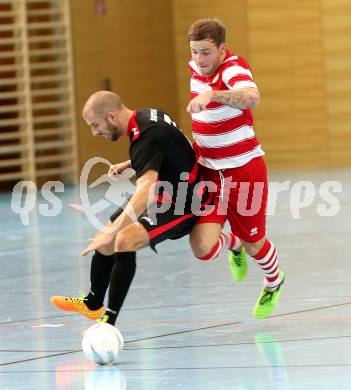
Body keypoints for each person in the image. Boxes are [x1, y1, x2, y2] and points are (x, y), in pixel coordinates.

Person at [50, 90, 238, 326]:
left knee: (123, 239)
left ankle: (108, 323)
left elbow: (145, 192)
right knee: (106, 236)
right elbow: (172, 147)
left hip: (187, 202)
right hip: (167, 192)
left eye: (95, 125)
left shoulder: (145, 137)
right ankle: (92, 304)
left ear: (110, 117)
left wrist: (113, 230)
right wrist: (133, 163)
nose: (95, 132)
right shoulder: (147, 117)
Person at [186, 18, 285, 319]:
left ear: (221, 50)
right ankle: (233, 243)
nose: (199, 60)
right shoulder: (195, 70)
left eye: (205, 53)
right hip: (209, 172)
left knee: (257, 244)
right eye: (194, 52)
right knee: (202, 246)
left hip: (243, 172)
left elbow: (251, 97)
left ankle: (274, 281)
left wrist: (213, 95)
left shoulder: (232, 68)